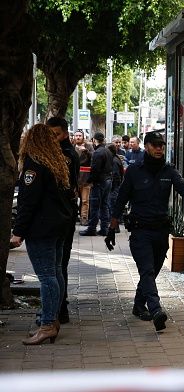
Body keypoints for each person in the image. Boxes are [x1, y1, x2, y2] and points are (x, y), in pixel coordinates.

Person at [105, 132, 184, 332]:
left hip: (161, 231)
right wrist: (111, 229)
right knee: (147, 270)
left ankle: (138, 305)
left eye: (161, 145)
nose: (159, 148)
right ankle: (156, 310)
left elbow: (182, 187)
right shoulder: (134, 171)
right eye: (155, 145)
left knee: (152, 271)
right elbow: (120, 201)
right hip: (140, 231)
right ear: (147, 146)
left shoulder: (168, 170)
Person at [11, 124, 74, 345]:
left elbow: (28, 202)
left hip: (42, 228)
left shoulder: (34, 165)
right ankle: (52, 320)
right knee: (55, 274)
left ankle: (47, 324)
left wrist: (18, 232)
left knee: (47, 277)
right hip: (58, 227)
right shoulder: (56, 164)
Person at [47, 117, 79, 324]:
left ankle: (59, 308)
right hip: (59, 214)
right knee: (56, 265)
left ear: (65, 134)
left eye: (56, 134)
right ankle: (58, 307)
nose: (52, 138)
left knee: (58, 264)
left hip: (63, 215)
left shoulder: (65, 155)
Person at [80, 132, 112, 236]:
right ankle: (104, 228)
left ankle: (92, 228)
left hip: (99, 182)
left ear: (94, 140)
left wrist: (89, 181)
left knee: (95, 206)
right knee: (104, 205)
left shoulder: (98, 153)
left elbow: (95, 170)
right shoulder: (107, 151)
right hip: (107, 180)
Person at [73, 130, 94, 225]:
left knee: (85, 200)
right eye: (76, 135)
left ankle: (84, 218)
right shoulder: (71, 147)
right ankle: (73, 217)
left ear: (83, 137)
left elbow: (94, 157)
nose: (78, 137)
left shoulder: (89, 147)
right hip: (74, 178)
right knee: (73, 199)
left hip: (86, 178)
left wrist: (86, 151)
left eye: (79, 136)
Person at [106, 143, 124, 233]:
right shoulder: (116, 159)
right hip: (115, 186)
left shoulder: (114, 161)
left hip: (114, 187)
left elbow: (115, 175)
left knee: (112, 206)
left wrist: (112, 187)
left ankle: (115, 226)